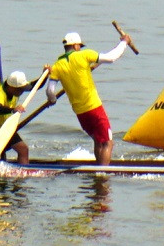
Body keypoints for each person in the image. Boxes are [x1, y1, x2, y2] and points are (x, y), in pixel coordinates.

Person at [47, 31, 132, 164]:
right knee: (108, 142)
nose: (80, 48)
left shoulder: (57, 66)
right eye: (79, 46)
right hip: (94, 107)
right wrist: (124, 42)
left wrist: (52, 100)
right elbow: (111, 58)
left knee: (98, 140)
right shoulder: (84, 55)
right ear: (75, 46)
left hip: (80, 113)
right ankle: (102, 173)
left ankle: (98, 168)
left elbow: (50, 91)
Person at [0, 71, 39, 164]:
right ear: (11, 87)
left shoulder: (16, 89)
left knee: (23, 149)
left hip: (4, 129)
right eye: (20, 90)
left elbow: (34, 86)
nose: (22, 92)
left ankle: (23, 171)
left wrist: (45, 74)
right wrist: (13, 109)